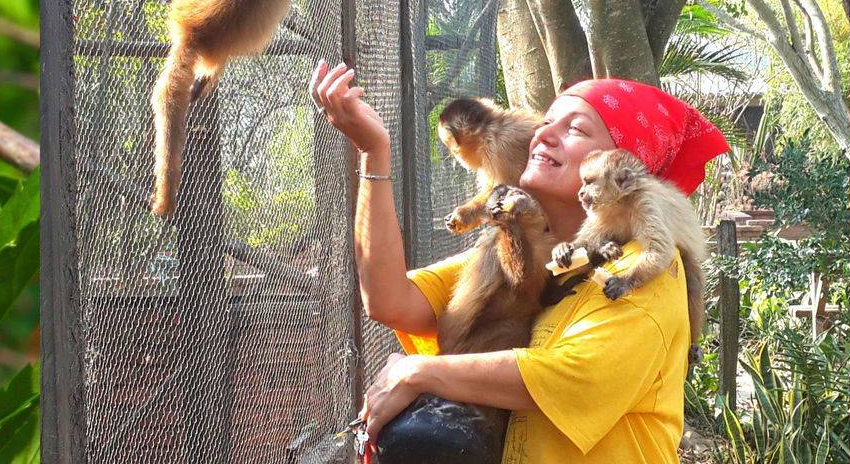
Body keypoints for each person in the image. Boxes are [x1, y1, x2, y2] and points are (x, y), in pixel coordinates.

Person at [309, 60, 730, 461]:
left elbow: (574, 379)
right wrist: (373, 153)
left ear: (620, 170)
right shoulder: (534, 247)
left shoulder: (647, 272)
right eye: (547, 122)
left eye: (575, 129)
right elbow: (388, 299)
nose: (543, 134)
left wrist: (419, 372)